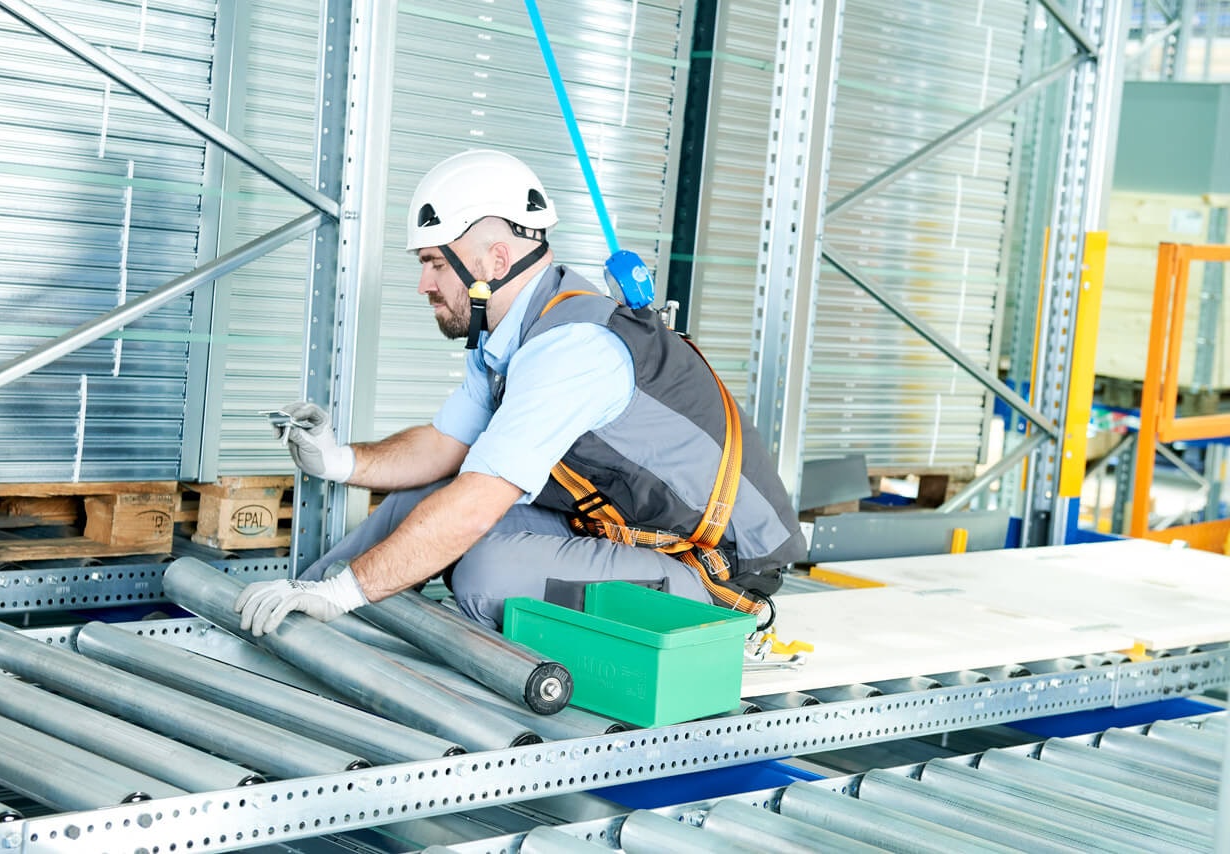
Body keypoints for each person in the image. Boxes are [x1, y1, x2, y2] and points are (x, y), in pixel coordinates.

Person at [235, 149, 806, 637]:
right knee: (424, 502)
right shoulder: (514, 333)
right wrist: (339, 461)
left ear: (495, 261)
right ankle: (297, 612)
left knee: (487, 572)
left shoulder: (573, 350)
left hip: (713, 573)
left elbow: (476, 503)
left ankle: (329, 602)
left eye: (435, 263)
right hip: (627, 537)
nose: (423, 283)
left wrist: (347, 593)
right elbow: (443, 447)